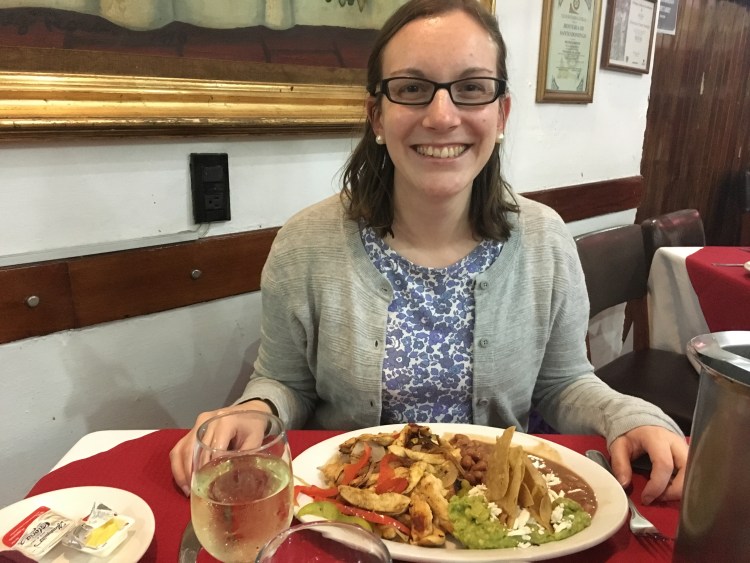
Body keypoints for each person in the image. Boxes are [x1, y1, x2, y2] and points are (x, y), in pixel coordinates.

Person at [170, 0, 688, 505]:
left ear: (501, 113)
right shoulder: (305, 243)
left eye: (472, 88)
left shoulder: (545, 240)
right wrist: (255, 408)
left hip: (498, 523)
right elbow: (284, 381)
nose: (442, 116)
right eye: (412, 89)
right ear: (376, 115)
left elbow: (563, 382)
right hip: (348, 513)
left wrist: (627, 415)